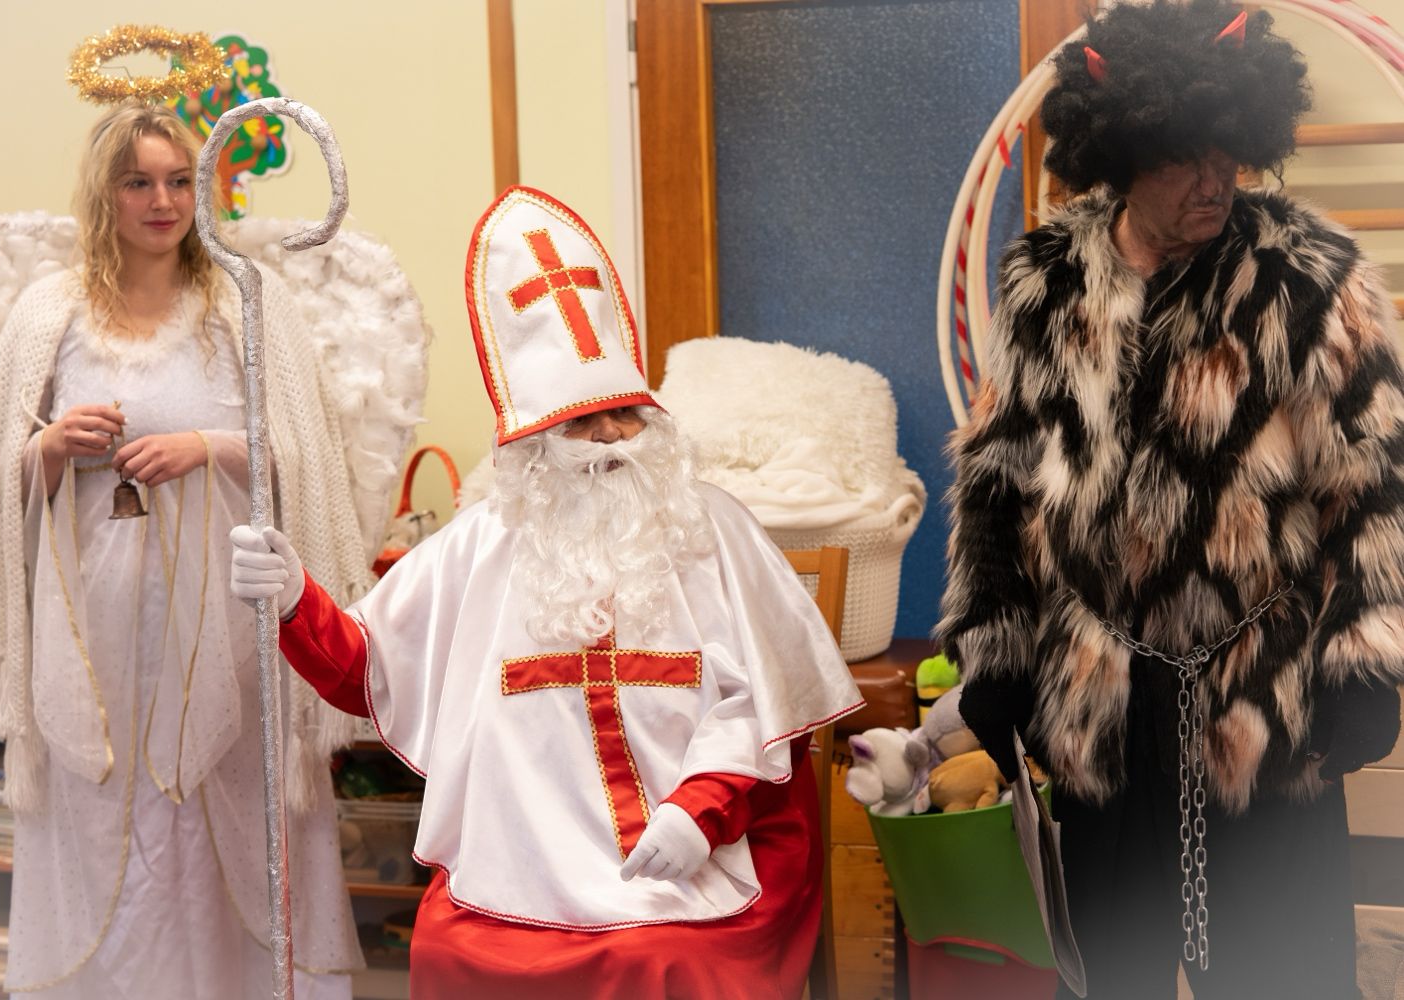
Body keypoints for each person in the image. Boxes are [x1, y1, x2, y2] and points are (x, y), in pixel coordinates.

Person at [231, 185, 864, 999]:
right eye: (579, 422)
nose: (608, 439)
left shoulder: (711, 527)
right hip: (525, 860)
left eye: (624, 415)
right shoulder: (482, 542)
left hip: (702, 845)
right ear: (531, 445)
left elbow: (770, 703)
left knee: (661, 961)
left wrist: (698, 808)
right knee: (452, 948)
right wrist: (294, 600)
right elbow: (366, 667)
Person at [936, 3, 1404, 998]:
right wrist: (995, 650)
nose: (1214, 179)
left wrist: (1365, 662)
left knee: (1285, 980)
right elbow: (993, 482)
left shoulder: (1307, 279)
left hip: (1260, 707)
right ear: (1121, 153)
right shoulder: (1045, 286)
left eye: (1227, 151)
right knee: (1113, 978)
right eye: (1184, 156)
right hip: (1100, 711)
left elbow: (1376, 483)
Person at [0, 102, 373, 998]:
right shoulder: (49, 312)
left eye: (180, 180)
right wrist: (50, 445)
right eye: (138, 182)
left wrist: (205, 447)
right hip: (97, 626)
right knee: (111, 809)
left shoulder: (247, 301)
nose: (163, 201)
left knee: (229, 800)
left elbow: (306, 458)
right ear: (105, 192)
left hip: (229, 620)